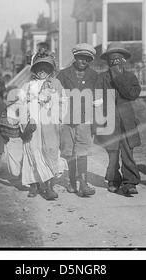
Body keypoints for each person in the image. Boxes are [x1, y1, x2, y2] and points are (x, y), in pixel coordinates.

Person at [17, 53, 67, 200]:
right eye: (39, 68)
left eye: (45, 68)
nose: (42, 71)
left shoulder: (56, 84)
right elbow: (20, 104)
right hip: (33, 125)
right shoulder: (27, 86)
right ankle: (33, 185)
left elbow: (63, 102)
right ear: (34, 69)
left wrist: (58, 118)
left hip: (50, 125)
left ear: (50, 70)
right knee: (33, 151)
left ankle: (49, 187)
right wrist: (24, 121)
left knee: (50, 151)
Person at [96, 42, 142, 197]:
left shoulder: (130, 77)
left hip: (127, 121)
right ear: (107, 61)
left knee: (128, 152)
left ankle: (130, 183)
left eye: (118, 58)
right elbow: (96, 99)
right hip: (109, 121)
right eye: (111, 59)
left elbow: (132, 94)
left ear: (124, 60)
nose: (114, 61)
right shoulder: (102, 78)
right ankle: (113, 180)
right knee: (112, 153)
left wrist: (118, 78)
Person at [57, 43, 99, 197]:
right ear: (75, 57)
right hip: (67, 118)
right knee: (69, 151)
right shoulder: (63, 74)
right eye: (81, 58)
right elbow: (56, 93)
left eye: (88, 59)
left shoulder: (94, 76)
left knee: (82, 150)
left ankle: (83, 184)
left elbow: (98, 96)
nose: (84, 62)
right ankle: (72, 182)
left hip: (85, 118)